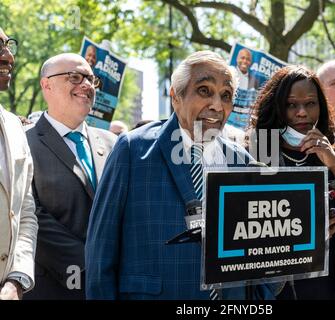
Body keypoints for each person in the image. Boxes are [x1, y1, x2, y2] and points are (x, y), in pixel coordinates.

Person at [86, 50, 277, 299]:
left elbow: (260, 258)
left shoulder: (243, 162)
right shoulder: (133, 150)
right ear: (176, 97)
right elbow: (101, 252)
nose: (217, 105)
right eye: (205, 90)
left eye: (226, 95)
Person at [249, 65, 335, 300]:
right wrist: (306, 236)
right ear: (277, 107)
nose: (302, 112)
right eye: (291, 104)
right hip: (277, 292)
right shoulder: (259, 155)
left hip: (329, 290)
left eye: (310, 103)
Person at [24, 53, 117, 299]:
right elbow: (30, 215)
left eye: (90, 79)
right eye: (75, 77)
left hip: (112, 284)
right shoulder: (23, 143)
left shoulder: (114, 143)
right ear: (47, 85)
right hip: (52, 286)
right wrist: (91, 262)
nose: (86, 85)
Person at [0, 27, 38, 300]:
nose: (8, 56)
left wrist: (17, 279)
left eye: (8, 45)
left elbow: (25, 213)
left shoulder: (15, 126)